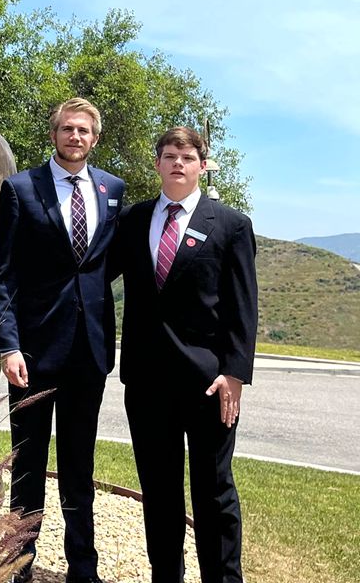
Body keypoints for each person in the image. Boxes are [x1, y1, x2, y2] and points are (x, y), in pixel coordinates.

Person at [113, 127, 258, 583]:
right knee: (159, 494)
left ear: (202, 165)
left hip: (209, 384)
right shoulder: (133, 221)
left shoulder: (231, 225)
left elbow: (243, 306)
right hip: (146, 383)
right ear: (156, 163)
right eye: (170, 155)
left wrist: (234, 374)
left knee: (214, 493)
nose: (178, 162)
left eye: (188, 156)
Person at [0, 98, 124, 583]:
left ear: (95, 138)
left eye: (84, 130)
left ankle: (82, 569)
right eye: (67, 128)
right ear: (54, 135)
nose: (75, 136)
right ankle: (18, 567)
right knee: (27, 466)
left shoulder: (112, 190)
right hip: (32, 353)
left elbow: (108, 264)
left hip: (89, 353)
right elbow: (3, 275)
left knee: (78, 464)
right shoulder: (21, 188)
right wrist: (8, 345)